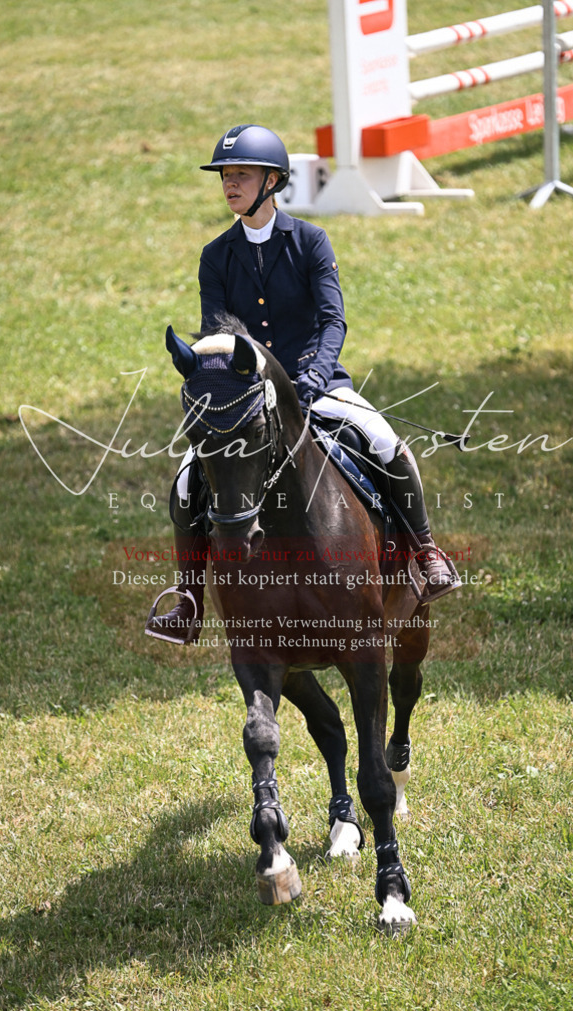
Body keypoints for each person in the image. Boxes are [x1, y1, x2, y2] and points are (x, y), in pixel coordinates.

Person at [145, 124, 460, 645]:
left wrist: (313, 373)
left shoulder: (311, 241)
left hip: (320, 382)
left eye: (241, 175)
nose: (229, 184)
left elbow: (332, 320)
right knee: (185, 480)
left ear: (272, 180)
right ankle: (189, 597)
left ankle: (426, 553)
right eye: (225, 176)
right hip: (247, 395)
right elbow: (219, 334)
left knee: (388, 444)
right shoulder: (215, 255)